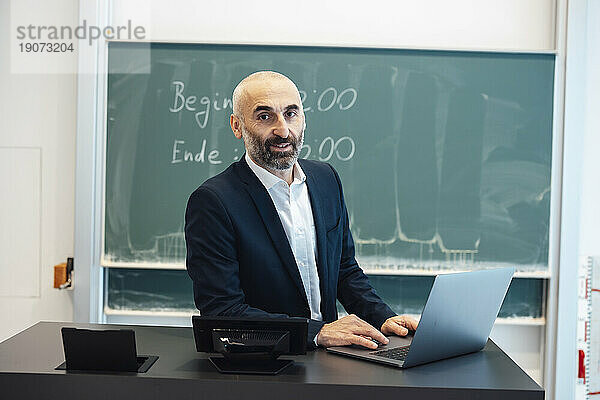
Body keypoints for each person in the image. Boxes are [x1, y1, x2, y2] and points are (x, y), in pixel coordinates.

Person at [185, 71, 417, 349]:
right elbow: (222, 311)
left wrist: (383, 318)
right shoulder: (213, 202)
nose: (283, 130)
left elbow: (344, 270)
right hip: (265, 365)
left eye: (291, 114)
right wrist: (316, 333)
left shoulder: (325, 179)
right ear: (237, 126)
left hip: (332, 357)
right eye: (264, 116)